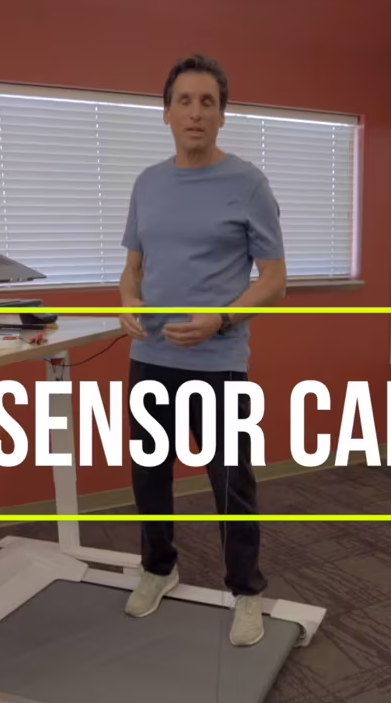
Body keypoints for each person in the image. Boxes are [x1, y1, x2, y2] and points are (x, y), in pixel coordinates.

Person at [115, 54, 287, 647]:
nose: (195, 112)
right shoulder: (147, 184)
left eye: (207, 102)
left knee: (231, 483)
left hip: (217, 364)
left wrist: (222, 318)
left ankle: (246, 590)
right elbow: (133, 270)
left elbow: (274, 281)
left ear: (221, 115)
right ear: (166, 113)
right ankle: (158, 568)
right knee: (149, 476)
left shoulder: (248, 184)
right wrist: (127, 301)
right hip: (151, 360)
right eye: (184, 101)